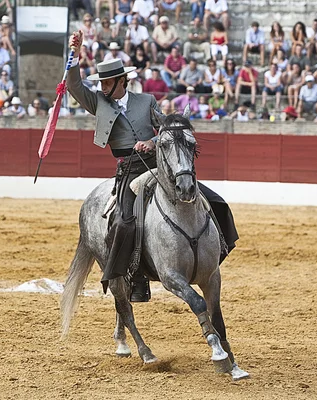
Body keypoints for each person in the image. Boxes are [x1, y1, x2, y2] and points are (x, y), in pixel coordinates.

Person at [66, 29, 239, 302]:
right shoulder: (98, 103)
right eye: (100, 83)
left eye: (106, 82)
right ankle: (135, 277)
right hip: (129, 172)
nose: (101, 87)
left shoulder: (145, 101)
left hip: (159, 166)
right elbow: (75, 87)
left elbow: (169, 131)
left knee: (214, 201)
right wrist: (74, 55)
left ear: (121, 81)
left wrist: (153, 141)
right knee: (124, 223)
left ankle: (216, 252)